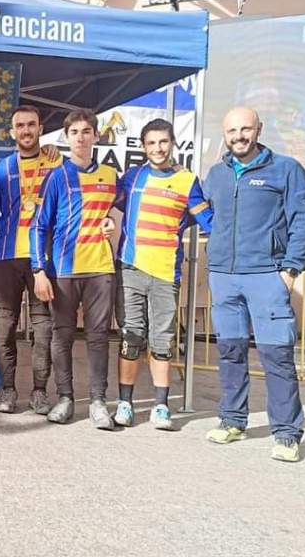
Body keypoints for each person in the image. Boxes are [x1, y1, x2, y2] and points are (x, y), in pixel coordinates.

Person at [203, 106, 305, 463]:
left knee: (276, 356)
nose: (239, 136)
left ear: (259, 129)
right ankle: (233, 420)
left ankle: (286, 434)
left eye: (245, 129)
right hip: (224, 275)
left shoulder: (286, 169)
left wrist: (290, 270)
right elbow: (205, 213)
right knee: (230, 352)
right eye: (232, 130)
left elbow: (302, 221)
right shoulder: (216, 174)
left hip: (267, 275)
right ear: (224, 134)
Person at [111, 119, 212, 431]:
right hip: (130, 268)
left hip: (166, 273)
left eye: (163, 142)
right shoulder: (132, 177)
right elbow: (99, 202)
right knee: (131, 338)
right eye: (151, 143)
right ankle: (125, 404)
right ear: (143, 147)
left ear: (173, 143)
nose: (158, 148)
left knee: (162, 342)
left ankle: (161, 406)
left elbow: (209, 222)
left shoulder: (187, 181)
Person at [31, 108, 118, 429]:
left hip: (100, 269)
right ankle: (65, 398)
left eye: (86, 131)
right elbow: (39, 226)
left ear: (96, 135)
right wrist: (39, 270)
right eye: (74, 132)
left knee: (98, 337)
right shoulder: (57, 177)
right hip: (64, 270)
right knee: (62, 336)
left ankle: (98, 401)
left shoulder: (111, 175)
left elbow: (123, 209)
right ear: (66, 138)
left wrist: (112, 221)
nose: (80, 138)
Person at [0, 105, 61, 414]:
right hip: (6, 256)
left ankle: (39, 392)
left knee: (43, 329)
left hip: (43, 258)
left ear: (41, 128)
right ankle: (7, 390)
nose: (26, 130)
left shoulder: (57, 163)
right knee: (4, 327)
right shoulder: (1, 169)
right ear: (11, 132)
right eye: (20, 126)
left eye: (31, 125)